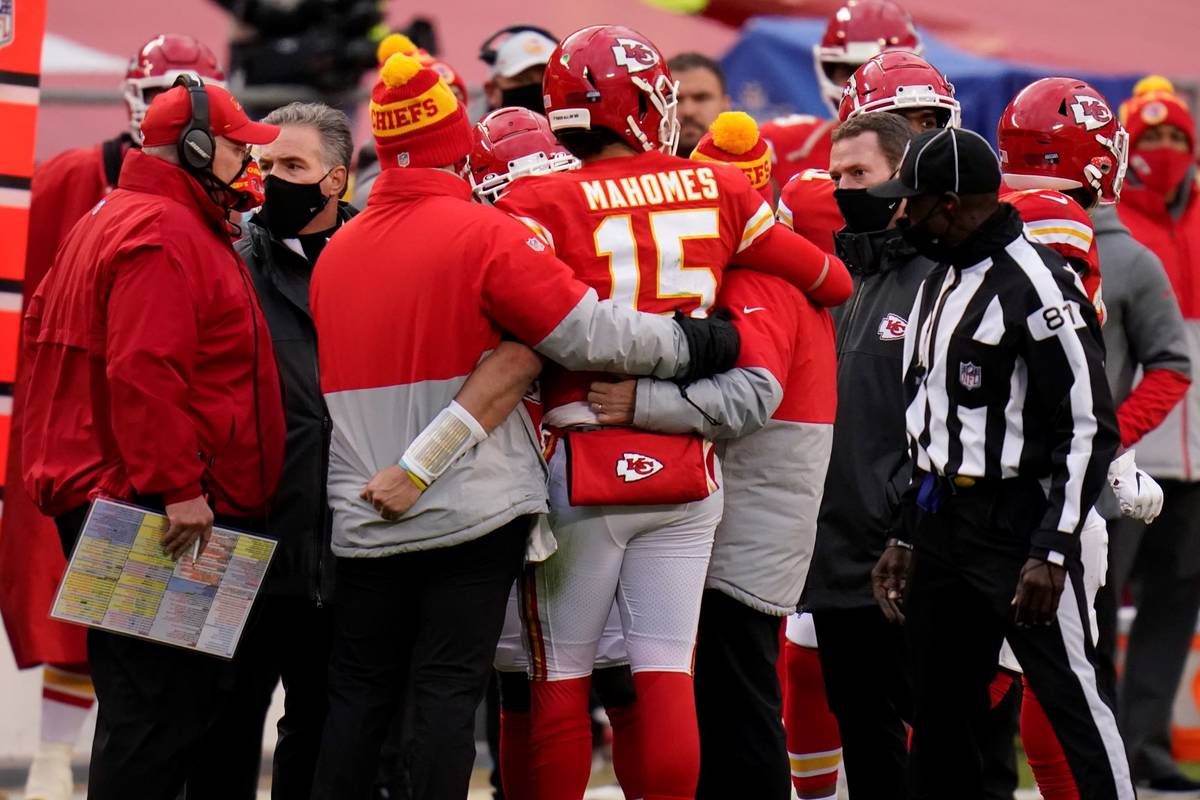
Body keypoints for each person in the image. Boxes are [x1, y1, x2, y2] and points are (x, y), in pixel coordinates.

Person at [308, 51, 742, 800]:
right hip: (475, 504)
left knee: (361, 697)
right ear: (455, 143)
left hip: (361, 512)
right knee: (501, 688)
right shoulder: (485, 235)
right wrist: (693, 342)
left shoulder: (336, 250)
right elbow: (564, 339)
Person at [496, 26, 850, 800]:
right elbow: (830, 280)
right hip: (688, 469)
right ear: (648, 103)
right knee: (664, 678)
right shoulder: (719, 189)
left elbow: (515, 316)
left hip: (580, 457)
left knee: (562, 683)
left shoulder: (533, 201)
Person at [19, 76, 285, 800]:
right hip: (159, 508)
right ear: (196, 147)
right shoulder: (163, 231)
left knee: (159, 706)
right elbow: (144, 370)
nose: (247, 162)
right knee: (157, 714)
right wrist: (178, 488)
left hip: (134, 496)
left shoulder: (129, 215)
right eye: (237, 147)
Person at [869, 126, 1131, 800]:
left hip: (1021, 521)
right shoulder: (940, 280)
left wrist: (1053, 545)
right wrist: (905, 530)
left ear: (952, 204)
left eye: (915, 202)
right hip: (941, 518)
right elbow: (928, 420)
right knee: (937, 712)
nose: (904, 216)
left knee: (1073, 701)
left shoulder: (1041, 288)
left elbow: (1086, 428)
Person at [585, 110, 838, 800]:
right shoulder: (762, 272)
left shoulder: (758, 282)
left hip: (751, 521)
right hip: (750, 512)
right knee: (728, 698)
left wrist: (636, 405)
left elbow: (748, 399)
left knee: (739, 703)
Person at [0, 35, 225, 800]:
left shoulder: (171, 207)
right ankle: (56, 758)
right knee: (146, 677)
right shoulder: (131, 208)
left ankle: (68, 766)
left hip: (123, 453)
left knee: (150, 675)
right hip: (121, 459)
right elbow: (140, 363)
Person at [996, 75, 1190, 798]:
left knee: (1033, 676)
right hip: (1042, 475)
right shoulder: (1043, 224)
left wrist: (1110, 439)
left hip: (1024, 471)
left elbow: (1169, 363)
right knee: (1057, 678)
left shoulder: (989, 220)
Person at [215, 101, 354, 800]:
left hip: (350, 546)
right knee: (224, 729)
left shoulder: (376, 263)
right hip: (243, 539)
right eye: (265, 165)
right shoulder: (229, 263)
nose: (272, 180)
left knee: (323, 733)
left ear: (336, 179)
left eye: (292, 166)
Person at [782, 110, 920, 798]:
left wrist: (910, 525)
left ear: (904, 176)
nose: (843, 187)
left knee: (941, 739)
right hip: (836, 559)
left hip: (911, 559)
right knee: (865, 738)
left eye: (860, 174)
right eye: (837, 175)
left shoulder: (940, 279)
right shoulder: (840, 281)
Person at [1105, 76, 1200, 794]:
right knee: (1100, 597)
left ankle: (1145, 741)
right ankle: (1099, 734)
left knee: (1176, 598)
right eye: (1151, 137)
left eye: (1177, 139)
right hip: (1130, 450)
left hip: (1196, 462)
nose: (1164, 151)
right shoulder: (1115, 228)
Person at [761, 0, 921, 191]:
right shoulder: (779, 144)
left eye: (881, 70)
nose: (866, 84)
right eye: (850, 71)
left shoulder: (935, 151)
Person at [667, 52, 732, 157]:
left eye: (701, 98)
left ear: (725, 104)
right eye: (675, 99)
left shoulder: (752, 166)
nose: (688, 111)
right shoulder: (637, 171)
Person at [481, 25, 557, 112]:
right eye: (522, 79)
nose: (539, 88)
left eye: (548, 80)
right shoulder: (467, 124)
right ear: (491, 91)